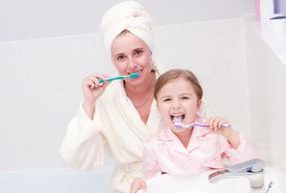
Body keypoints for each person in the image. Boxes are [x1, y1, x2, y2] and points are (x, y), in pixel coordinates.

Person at [60, 1, 208, 193]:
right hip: (130, 187)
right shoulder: (105, 101)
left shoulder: (180, 89)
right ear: (113, 60)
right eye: (121, 57)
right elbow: (77, 159)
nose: (132, 65)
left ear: (150, 51)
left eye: (138, 53)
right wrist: (89, 103)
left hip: (179, 182)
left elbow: (205, 144)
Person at [130, 69, 259, 193]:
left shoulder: (214, 134)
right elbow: (154, 185)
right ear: (158, 108)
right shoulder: (153, 146)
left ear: (198, 105)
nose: (176, 105)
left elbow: (253, 167)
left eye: (184, 98)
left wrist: (231, 135)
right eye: (167, 99)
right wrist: (142, 184)